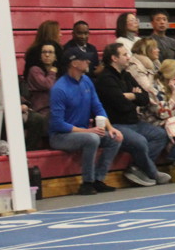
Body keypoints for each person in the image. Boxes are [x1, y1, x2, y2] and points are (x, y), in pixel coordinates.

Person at [48, 46, 123, 195]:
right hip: (60, 136)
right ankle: (87, 183)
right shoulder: (59, 89)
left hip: (83, 132)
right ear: (74, 63)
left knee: (114, 138)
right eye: (84, 59)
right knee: (92, 138)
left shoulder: (86, 81)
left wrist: (110, 128)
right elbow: (58, 123)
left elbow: (98, 107)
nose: (88, 61)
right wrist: (87, 131)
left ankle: (98, 179)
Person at [94, 43, 170, 187]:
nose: (129, 57)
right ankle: (153, 173)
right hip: (116, 125)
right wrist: (134, 97)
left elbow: (145, 98)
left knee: (160, 135)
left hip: (134, 122)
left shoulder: (127, 75)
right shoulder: (105, 79)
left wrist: (131, 96)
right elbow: (120, 105)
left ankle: (136, 168)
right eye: (124, 55)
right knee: (140, 141)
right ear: (114, 58)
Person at [0, 46, 46, 151]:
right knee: (3, 118)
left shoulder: (5, 74)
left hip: (11, 109)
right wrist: (8, 108)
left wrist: (24, 103)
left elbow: (14, 93)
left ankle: (27, 151)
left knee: (37, 119)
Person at [25, 41, 61, 117]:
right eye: (44, 52)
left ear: (56, 56)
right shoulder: (34, 70)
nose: (47, 55)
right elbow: (47, 85)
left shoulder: (60, 72)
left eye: (50, 52)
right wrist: (52, 72)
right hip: (40, 111)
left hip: (56, 109)